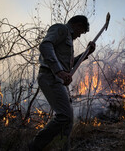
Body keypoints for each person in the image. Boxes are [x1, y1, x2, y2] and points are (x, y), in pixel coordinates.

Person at [28, 15, 96, 151]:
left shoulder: (68, 41)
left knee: (68, 118)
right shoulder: (61, 29)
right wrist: (59, 71)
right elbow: (45, 45)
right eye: (81, 32)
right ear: (77, 25)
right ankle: (34, 147)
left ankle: (62, 148)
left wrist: (87, 52)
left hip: (58, 80)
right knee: (64, 115)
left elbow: (68, 67)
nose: (80, 36)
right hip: (50, 76)